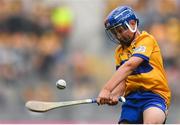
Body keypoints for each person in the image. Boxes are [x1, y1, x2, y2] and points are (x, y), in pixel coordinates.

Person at [97, 6, 171, 124]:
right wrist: (114, 95)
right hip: (132, 100)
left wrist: (106, 89)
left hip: (154, 96)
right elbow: (123, 81)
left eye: (120, 30)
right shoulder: (119, 52)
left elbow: (130, 66)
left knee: (151, 122)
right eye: (115, 33)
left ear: (132, 24)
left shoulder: (146, 40)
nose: (119, 36)